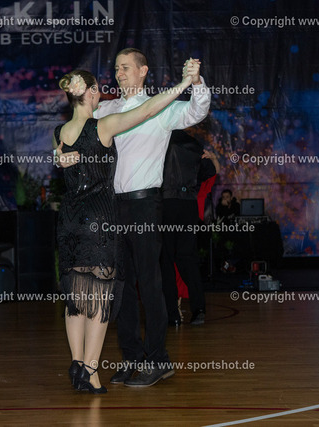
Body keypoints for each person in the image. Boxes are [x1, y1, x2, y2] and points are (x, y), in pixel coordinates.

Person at [54, 65, 194, 394]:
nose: (103, 93)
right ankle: (91, 372)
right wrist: (184, 84)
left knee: (76, 297)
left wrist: (57, 158)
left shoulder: (60, 132)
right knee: (100, 297)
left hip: (70, 220)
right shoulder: (103, 126)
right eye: (98, 89)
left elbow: (61, 158)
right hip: (99, 219)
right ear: (90, 93)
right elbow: (147, 110)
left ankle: (76, 363)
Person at [94, 48, 210, 387]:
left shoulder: (160, 108)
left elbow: (197, 110)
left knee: (150, 282)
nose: (119, 73)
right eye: (117, 68)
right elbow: (79, 128)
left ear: (143, 71)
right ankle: (131, 357)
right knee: (122, 286)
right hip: (114, 207)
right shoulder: (107, 109)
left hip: (145, 205)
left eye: (126, 67)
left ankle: (158, 359)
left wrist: (195, 82)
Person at [161, 130, 219, 327]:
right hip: (188, 205)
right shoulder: (194, 144)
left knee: (166, 260)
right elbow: (209, 171)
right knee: (188, 258)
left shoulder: (161, 140)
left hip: (167, 203)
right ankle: (199, 308)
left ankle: (172, 314)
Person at [215, 189, 240, 272]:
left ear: (231, 197)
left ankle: (230, 265)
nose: (225, 199)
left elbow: (238, 215)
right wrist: (225, 207)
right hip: (224, 231)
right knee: (223, 247)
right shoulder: (219, 207)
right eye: (224, 197)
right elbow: (221, 217)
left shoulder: (236, 205)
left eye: (227, 197)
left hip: (235, 231)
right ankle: (226, 266)